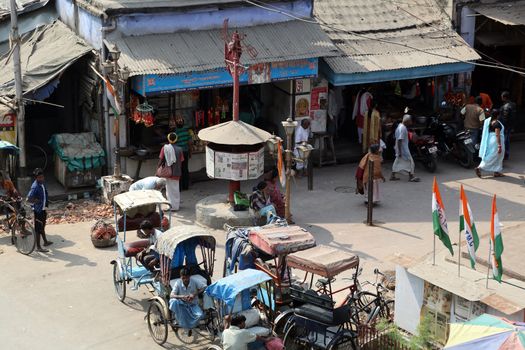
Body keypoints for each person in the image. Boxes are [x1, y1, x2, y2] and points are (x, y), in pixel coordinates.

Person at [169, 267, 206, 332]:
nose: (185, 280)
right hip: (181, 304)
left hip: (192, 304)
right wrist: (182, 296)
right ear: (181, 277)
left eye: (187, 278)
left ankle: (189, 325)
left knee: (200, 315)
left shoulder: (194, 281)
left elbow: (204, 287)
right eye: (183, 278)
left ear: (190, 276)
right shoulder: (178, 283)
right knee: (173, 301)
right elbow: (171, 295)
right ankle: (179, 319)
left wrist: (194, 295)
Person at [27, 168, 52, 252]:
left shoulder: (41, 184)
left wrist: (46, 202)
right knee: (38, 228)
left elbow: (45, 193)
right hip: (38, 211)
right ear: (36, 178)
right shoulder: (35, 187)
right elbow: (28, 199)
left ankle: (45, 241)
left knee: (42, 226)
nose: (41, 179)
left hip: (43, 208)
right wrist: (36, 201)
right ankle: (38, 247)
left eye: (42, 177)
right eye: (39, 177)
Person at [158, 132, 184, 211]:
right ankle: (176, 205)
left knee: (169, 190)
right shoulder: (180, 149)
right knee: (176, 189)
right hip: (177, 171)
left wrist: (158, 168)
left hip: (168, 173)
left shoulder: (164, 148)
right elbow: (181, 160)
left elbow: (161, 159)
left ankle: (171, 206)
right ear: (176, 139)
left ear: (168, 139)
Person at [390, 115, 420, 182]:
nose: (411, 123)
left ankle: (392, 175)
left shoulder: (400, 126)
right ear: (408, 121)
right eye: (411, 121)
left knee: (397, 162)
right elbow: (400, 140)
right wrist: (400, 151)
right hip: (403, 149)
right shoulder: (402, 128)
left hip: (401, 148)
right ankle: (411, 176)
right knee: (411, 162)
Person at [476, 111, 505, 178]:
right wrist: (499, 145)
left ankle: (496, 172)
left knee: (497, 156)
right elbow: (497, 134)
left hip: (491, 141)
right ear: (497, 115)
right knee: (493, 156)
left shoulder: (490, 122)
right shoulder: (497, 123)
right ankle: (479, 167)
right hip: (496, 141)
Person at [174, 116, 191, 191]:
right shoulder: (186, 131)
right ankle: (186, 186)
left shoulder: (175, 132)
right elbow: (190, 142)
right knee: (185, 168)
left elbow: (173, 143)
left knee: (179, 169)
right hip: (185, 151)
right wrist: (190, 152)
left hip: (178, 152)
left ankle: (179, 187)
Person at [499, 91, 516, 160]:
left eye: (502, 97)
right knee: (507, 139)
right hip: (510, 125)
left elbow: (505, 118)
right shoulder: (513, 104)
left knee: (504, 140)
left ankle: (504, 154)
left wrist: (502, 126)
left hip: (506, 126)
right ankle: (507, 153)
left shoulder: (506, 106)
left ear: (504, 97)